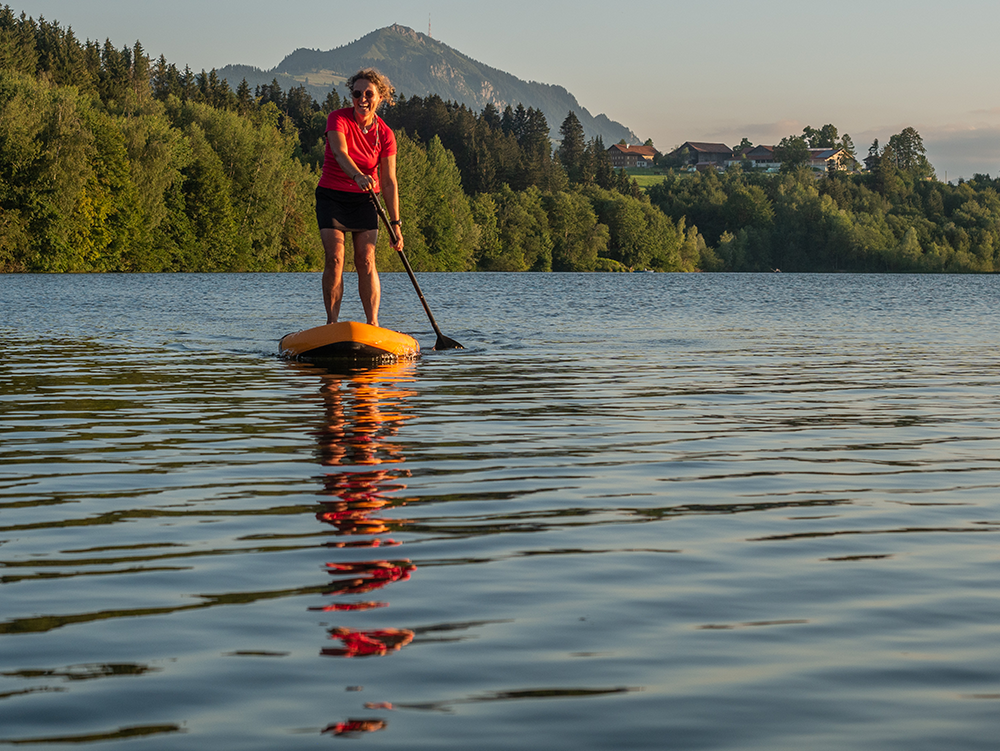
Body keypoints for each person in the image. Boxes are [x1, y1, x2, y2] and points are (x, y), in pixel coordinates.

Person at [316, 68, 403, 326]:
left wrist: (396, 225)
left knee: (366, 259)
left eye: (368, 94)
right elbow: (340, 153)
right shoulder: (338, 119)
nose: (362, 99)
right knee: (335, 258)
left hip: (366, 199)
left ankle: (373, 325)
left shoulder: (386, 134)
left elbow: (388, 182)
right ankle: (332, 324)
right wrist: (357, 176)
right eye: (357, 93)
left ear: (380, 97)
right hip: (332, 197)